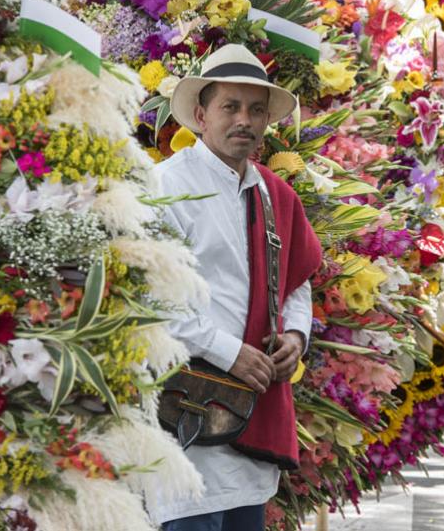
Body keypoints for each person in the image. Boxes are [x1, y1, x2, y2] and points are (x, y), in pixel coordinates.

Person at [151, 44, 322, 531]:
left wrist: (296, 336)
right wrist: (227, 351)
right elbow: (148, 298)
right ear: (201, 115)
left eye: (255, 110)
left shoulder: (276, 193)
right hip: (183, 406)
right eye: (230, 106)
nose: (243, 120)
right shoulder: (164, 186)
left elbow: (295, 280)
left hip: (251, 410)